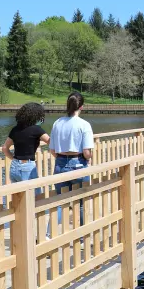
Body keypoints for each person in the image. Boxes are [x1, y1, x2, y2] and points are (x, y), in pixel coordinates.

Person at [50, 92, 93, 225]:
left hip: (60, 163)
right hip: (78, 164)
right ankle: (81, 237)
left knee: (60, 202)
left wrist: (62, 158)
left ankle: (48, 235)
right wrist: (89, 158)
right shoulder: (84, 124)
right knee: (80, 202)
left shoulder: (57, 123)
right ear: (81, 107)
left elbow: (52, 149)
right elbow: (86, 152)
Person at [2, 103, 50, 192]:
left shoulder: (15, 129)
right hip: (27, 167)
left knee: (19, 198)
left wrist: (14, 159)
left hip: (14, 167)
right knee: (36, 198)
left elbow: (5, 148)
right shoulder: (36, 129)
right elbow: (50, 142)